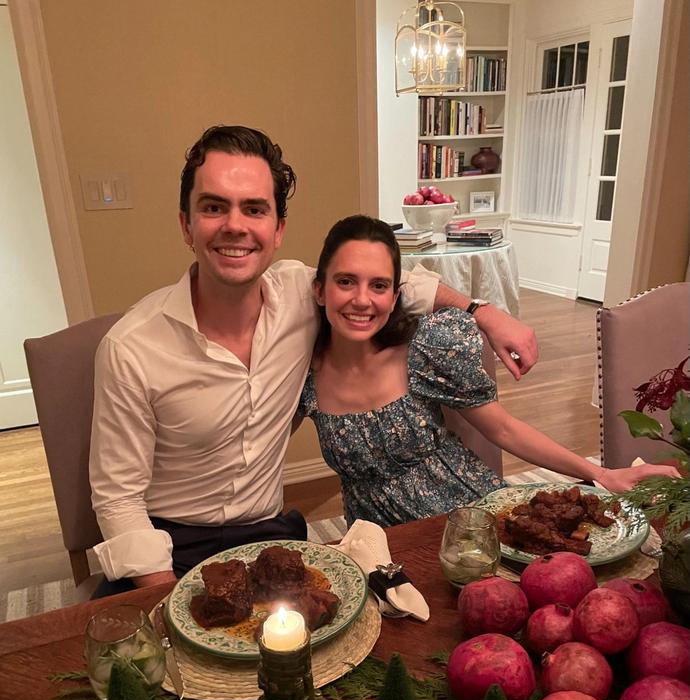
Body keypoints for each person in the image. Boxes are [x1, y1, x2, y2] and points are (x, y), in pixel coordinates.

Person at [89, 126, 538, 593]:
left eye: (255, 209)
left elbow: (396, 282)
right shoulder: (131, 348)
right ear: (186, 224)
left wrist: (483, 311)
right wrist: (166, 601)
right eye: (214, 206)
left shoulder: (301, 294)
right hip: (169, 544)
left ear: (278, 230)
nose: (235, 225)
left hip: (264, 535)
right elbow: (118, 499)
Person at [297, 215, 680, 528]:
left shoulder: (422, 349)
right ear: (320, 290)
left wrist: (601, 474)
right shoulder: (300, 375)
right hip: (377, 539)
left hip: (467, 516)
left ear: (395, 296)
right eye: (346, 281)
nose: (362, 299)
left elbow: (503, 428)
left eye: (378, 285)